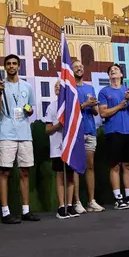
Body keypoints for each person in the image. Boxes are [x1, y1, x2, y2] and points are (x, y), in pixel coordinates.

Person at [0, 54, 40, 224]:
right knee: (5, 172)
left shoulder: (27, 86)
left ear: (19, 66)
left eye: (14, 63)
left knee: (25, 172)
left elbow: (30, 108)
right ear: (5, 67)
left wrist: (29, 110)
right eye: (8, 64)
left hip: (25, 134)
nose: (11, 66)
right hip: (6, 134)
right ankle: (5, 212)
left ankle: (26, 210)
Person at [98, 64, 129, 209]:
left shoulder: (128, 91)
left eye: (116, 69)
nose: (113, 71)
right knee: (115, 165)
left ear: (121, 74)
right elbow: (103, 113)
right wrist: (119, 106)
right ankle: (118, 198)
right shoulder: (104, 92)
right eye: (110, 70)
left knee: (127, 165)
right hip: (113, 132)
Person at [71, 60, 105, 213]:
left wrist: (92, 105)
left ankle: (91, 201)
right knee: (76, 168)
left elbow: (96, 112)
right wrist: (85, 104)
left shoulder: (90, 87)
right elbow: (70, 111)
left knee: (90, 166)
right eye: (76, 67)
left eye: (81, 66)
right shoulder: (69, 88)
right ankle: (77, 202)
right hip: (76, 132)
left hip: (90, 130)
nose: (79, 68)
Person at [45, 81, 79, 219]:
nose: (57, 88)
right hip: (56, 147)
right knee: (60, 175)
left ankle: (70, 205)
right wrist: (59, 124)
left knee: (70, 175)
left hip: (70, 146)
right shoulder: (51, 107)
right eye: (55, 86)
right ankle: (61, 206)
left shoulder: (71, 106)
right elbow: (47, 130)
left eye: (60, 86)